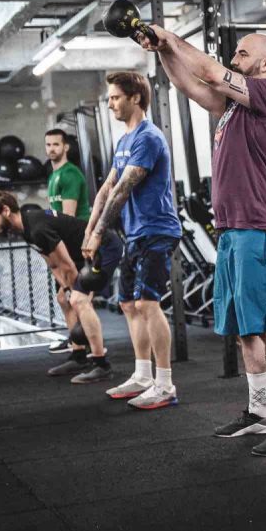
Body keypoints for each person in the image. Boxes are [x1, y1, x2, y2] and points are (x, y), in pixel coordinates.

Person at [136, 25, 266, 456]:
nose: (234, 58)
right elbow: (192, 86)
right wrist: (163, 51)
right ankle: (260, 412)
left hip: (260, 228)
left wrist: (171, 38)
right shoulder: (235, 107)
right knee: (243, 329)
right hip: (233, 230)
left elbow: (212, 73)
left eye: (243, 53)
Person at [84, 71, 183, 411]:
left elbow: (122, 191)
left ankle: (165, 384)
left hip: (157, 231)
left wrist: (99, 234)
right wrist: (90, 229)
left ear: (135, 98)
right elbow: (107, 188)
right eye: (109, 98)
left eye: (115, 97)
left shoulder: (148, 138)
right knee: (128, 303)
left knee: (147, 304)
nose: (110, 103)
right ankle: (142, 376)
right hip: (136, 233)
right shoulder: (124, 140)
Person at [0, 190, 121, 383]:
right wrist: (66, 288)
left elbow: (67, 266)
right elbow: (54, 264)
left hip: (104, 247)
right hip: (80, 255)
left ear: (5, 210)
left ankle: (102, 364)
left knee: (78, 301)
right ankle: (79, 357)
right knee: (63, 299)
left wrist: (77, 294)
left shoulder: (37, 228)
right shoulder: (26, 228)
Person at [45, 128, 93, 354]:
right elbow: (53, 213)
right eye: (48, 145)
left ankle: (86, 342)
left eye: (56, 144)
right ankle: (77, 340)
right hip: (61, 239)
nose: (51, 149)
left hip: (74, 240)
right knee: (64, 298)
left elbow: (67, 217)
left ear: (65, 147)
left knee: (74, 296)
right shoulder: (53, 176)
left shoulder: (70, 175)